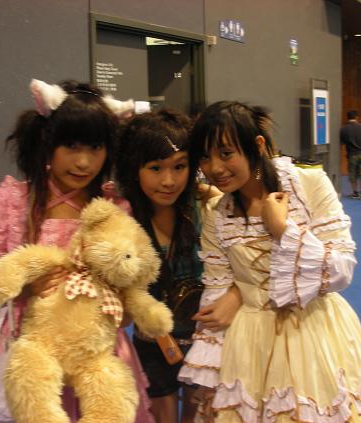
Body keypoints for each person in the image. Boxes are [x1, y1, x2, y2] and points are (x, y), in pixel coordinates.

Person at [0, 78, 154, 423]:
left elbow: (129, 285)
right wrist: (26, 286)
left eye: (96, 147)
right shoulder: (10, 202)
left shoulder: (114, 207)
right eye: (71, 146)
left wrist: (123, 303)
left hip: (96, 349)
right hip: (25, 348)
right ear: (47, 141)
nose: (84, 162)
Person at [178, 101, 361, 422]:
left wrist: (283, 229)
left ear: (257, 145)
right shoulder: (216, 214)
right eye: (205, 158)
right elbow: (216, 291)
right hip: (249, 342)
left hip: (315, 331)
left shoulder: (307, 184)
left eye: (225, 153)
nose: (215, 168)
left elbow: (341, 270)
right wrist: (210, 377)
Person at [115, 109, 216, 423]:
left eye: (179, 166)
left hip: (207, 340)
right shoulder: (122, 217)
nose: (169, 181)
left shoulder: (207, 207)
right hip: (152, 343)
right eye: (155, 168)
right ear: (135, 167)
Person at [340, 110, 361, 200]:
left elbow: (342, 142)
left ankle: (355, 193)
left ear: (347, 117)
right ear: (356, 117)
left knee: (353, 174)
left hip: (352, 154)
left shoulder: (344, 129)